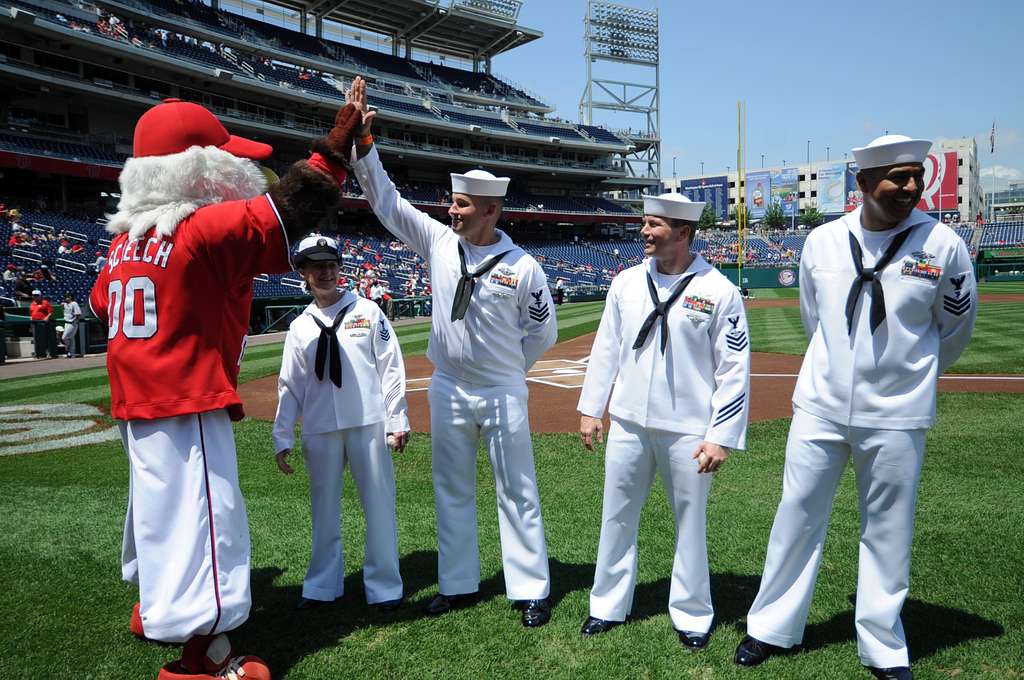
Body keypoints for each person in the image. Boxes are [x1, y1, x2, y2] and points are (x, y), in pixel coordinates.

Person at [89, 97, 360, 680]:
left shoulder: (121, 243)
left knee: (158, 515)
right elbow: (287, 210)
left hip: (135, 405)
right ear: (193, 167)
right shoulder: (199, 228)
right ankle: (201, 658)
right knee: (207, 522)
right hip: (186, 399)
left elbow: (100, 301)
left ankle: (155, 607)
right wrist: (334, 155)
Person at [734, 135, 978, 680]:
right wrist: (838, 371)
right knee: (796, 517)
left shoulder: (943, 245)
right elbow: (813, 319)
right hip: (819, 406)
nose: (911, 187)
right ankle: (772, 627)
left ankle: (883, 644)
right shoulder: (821, 241)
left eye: (917, 175)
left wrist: (907, 377)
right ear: (864, 184)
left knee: (888, 529)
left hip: (896, 413)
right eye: (897, 177)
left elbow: (955, 328)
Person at [347, 76, 559, 627]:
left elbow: (542, 334)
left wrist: (508, 369)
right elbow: (388, 205)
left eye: (462, 204)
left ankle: (530, 586)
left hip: (501, 390)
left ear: (490, 211)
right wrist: (364, 148)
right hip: (449, 388)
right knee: (451, 488)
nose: (451, 211)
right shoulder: (440, 243)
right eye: (452, 202)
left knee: (518, 490)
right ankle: (459, 582)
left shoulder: (524, 268)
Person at [576, 193, 751, 648]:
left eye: (653, 225)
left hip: (690, 430)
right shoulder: (626, 283)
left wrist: (721, 437)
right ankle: (607, 605)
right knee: (616, 516)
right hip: (630, 423)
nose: (644, 232)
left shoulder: (719, 291)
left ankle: (692, 614)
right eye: (644, 223)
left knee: (690, 522)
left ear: (683, 232)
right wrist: (593, 408)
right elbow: (606, 348)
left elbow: (734, 371)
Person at [273, 235, 409, 613]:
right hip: (320, 427)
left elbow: (390, 366)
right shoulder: (301, 326)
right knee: (324, 509)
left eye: (331, 264)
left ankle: (384, 586)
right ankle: (320, 586)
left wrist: (397, 418)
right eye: (317, 266)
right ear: (302, 272)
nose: (326, 272)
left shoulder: (367, 310)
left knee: (379, 505)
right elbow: (290, 383)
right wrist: (282, 433)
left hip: (368, 422)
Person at [29, 289, 58, 359]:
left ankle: (50, 353)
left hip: (44, 323)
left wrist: (46, 318)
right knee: (37, 339)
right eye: (34, 296)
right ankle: (39, 354)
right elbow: (31, 313)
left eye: (37, 296)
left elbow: (51, 312)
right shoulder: (32, 304)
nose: (35, 297)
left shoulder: (45, 302)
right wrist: (31, 318)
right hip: (35, 323)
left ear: (40, 296)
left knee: (46, 339)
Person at [61, 292, 83, 358]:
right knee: (71, 339)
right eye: (65, 296)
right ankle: (72, 354)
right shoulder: (64, 304)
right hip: (66, 323)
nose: (65, 298)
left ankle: (67, 348)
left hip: (72, 324)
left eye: (67, 296)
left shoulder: (74, 304)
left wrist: (74, 321)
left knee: (64, 338)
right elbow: (66, 313)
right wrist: (62, 307)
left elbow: (78, 314)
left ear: (70, 297)